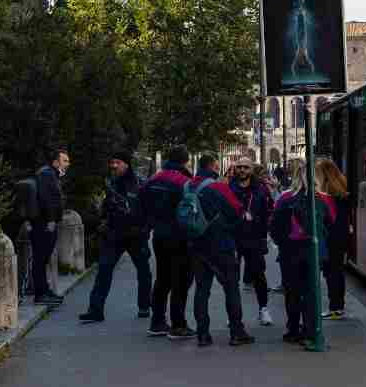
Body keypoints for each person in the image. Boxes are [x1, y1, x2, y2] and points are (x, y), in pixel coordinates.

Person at [80, 151, 153, 323]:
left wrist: (145, 229)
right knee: (104, 270)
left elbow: (150, 210)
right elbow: (106, 208)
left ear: (126, 164)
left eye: (117, 162)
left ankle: (144, 306)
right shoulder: (111, 184)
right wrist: (103, 222)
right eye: (112, 162)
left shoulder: (141, 184)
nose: (113, 165)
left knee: (144, 272)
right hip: (114, 235)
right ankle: (95, 310)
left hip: (136, 235)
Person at [188, 160, 254, 347]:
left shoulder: (188, 186)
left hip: (196, 244)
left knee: (202, 290)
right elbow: (236, 210)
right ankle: (236, 332)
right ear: (214, 168)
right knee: (231, 288)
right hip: (221, 244)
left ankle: (203, 334)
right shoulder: (219, 187)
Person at [140, 146, 196, 339]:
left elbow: (142, 206)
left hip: (159, 235)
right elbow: (191, 210)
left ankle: (157, 322)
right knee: (181, 280)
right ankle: (178, 324)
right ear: (185, 161)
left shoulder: (153, 180)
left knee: (163, 278)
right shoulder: (184, 182)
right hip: (180, 236)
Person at [229, 157, 274, 326]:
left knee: (258, 275)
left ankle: (263, 309)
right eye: (239, 167)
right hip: (233, 237)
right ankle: (233, 314)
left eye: (246, 167)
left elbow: (270, 210)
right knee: (232, 277)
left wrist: (264, 230)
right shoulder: (229, 187)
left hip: (254, 238)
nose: (242, 170)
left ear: (251, 170)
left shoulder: (261, 189)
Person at [269, 174, 312, 343]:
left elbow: (274, 224)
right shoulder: (317, 197)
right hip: (309, 250)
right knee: (309, 291)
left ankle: (293, 328)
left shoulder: (285, 197)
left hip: (289, 250)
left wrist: (281, 242)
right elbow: (330, 220)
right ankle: (309, 329)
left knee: (291, 292)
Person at [31, 149, 69, 306]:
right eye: (65, 160)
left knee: (43, 259)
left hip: (46, 222)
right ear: (55, 162)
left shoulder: (50, 174)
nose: (68, 163)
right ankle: (40, 294)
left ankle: (45, 291)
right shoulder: (47, 174)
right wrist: (51, 220)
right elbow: (46, 198)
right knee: (40, 258)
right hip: (44, 224)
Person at [316, 158, 350, 319]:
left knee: (331, 273)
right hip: (341, 237)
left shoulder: (327, 193)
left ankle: (335, 308)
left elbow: (327, 218)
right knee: (338, 272)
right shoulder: (341, 189)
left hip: (331, 237)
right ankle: (338, 307)